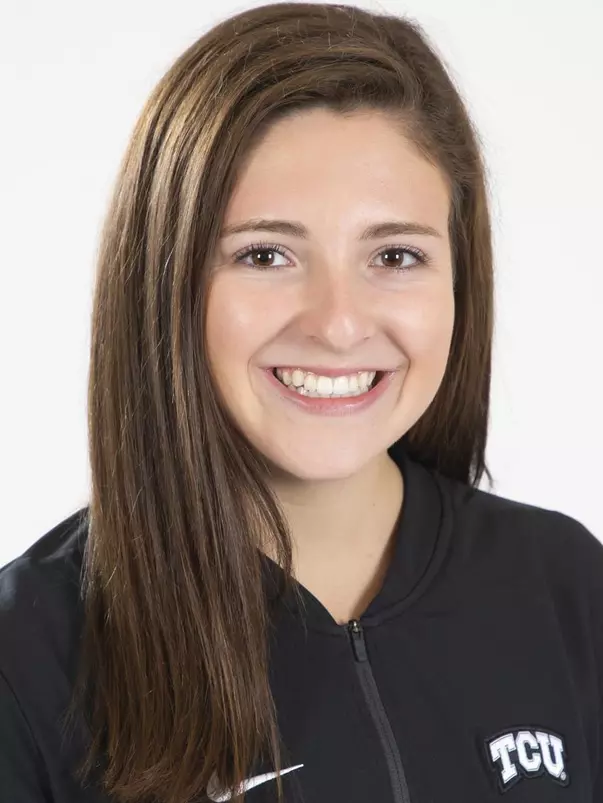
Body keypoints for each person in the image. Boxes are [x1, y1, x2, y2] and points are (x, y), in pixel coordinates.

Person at [1, 2, 601, 802]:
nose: (339, 323)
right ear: (163, 282)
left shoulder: (564, 586)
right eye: (265, 253)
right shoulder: (26, 658)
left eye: (394, 254)